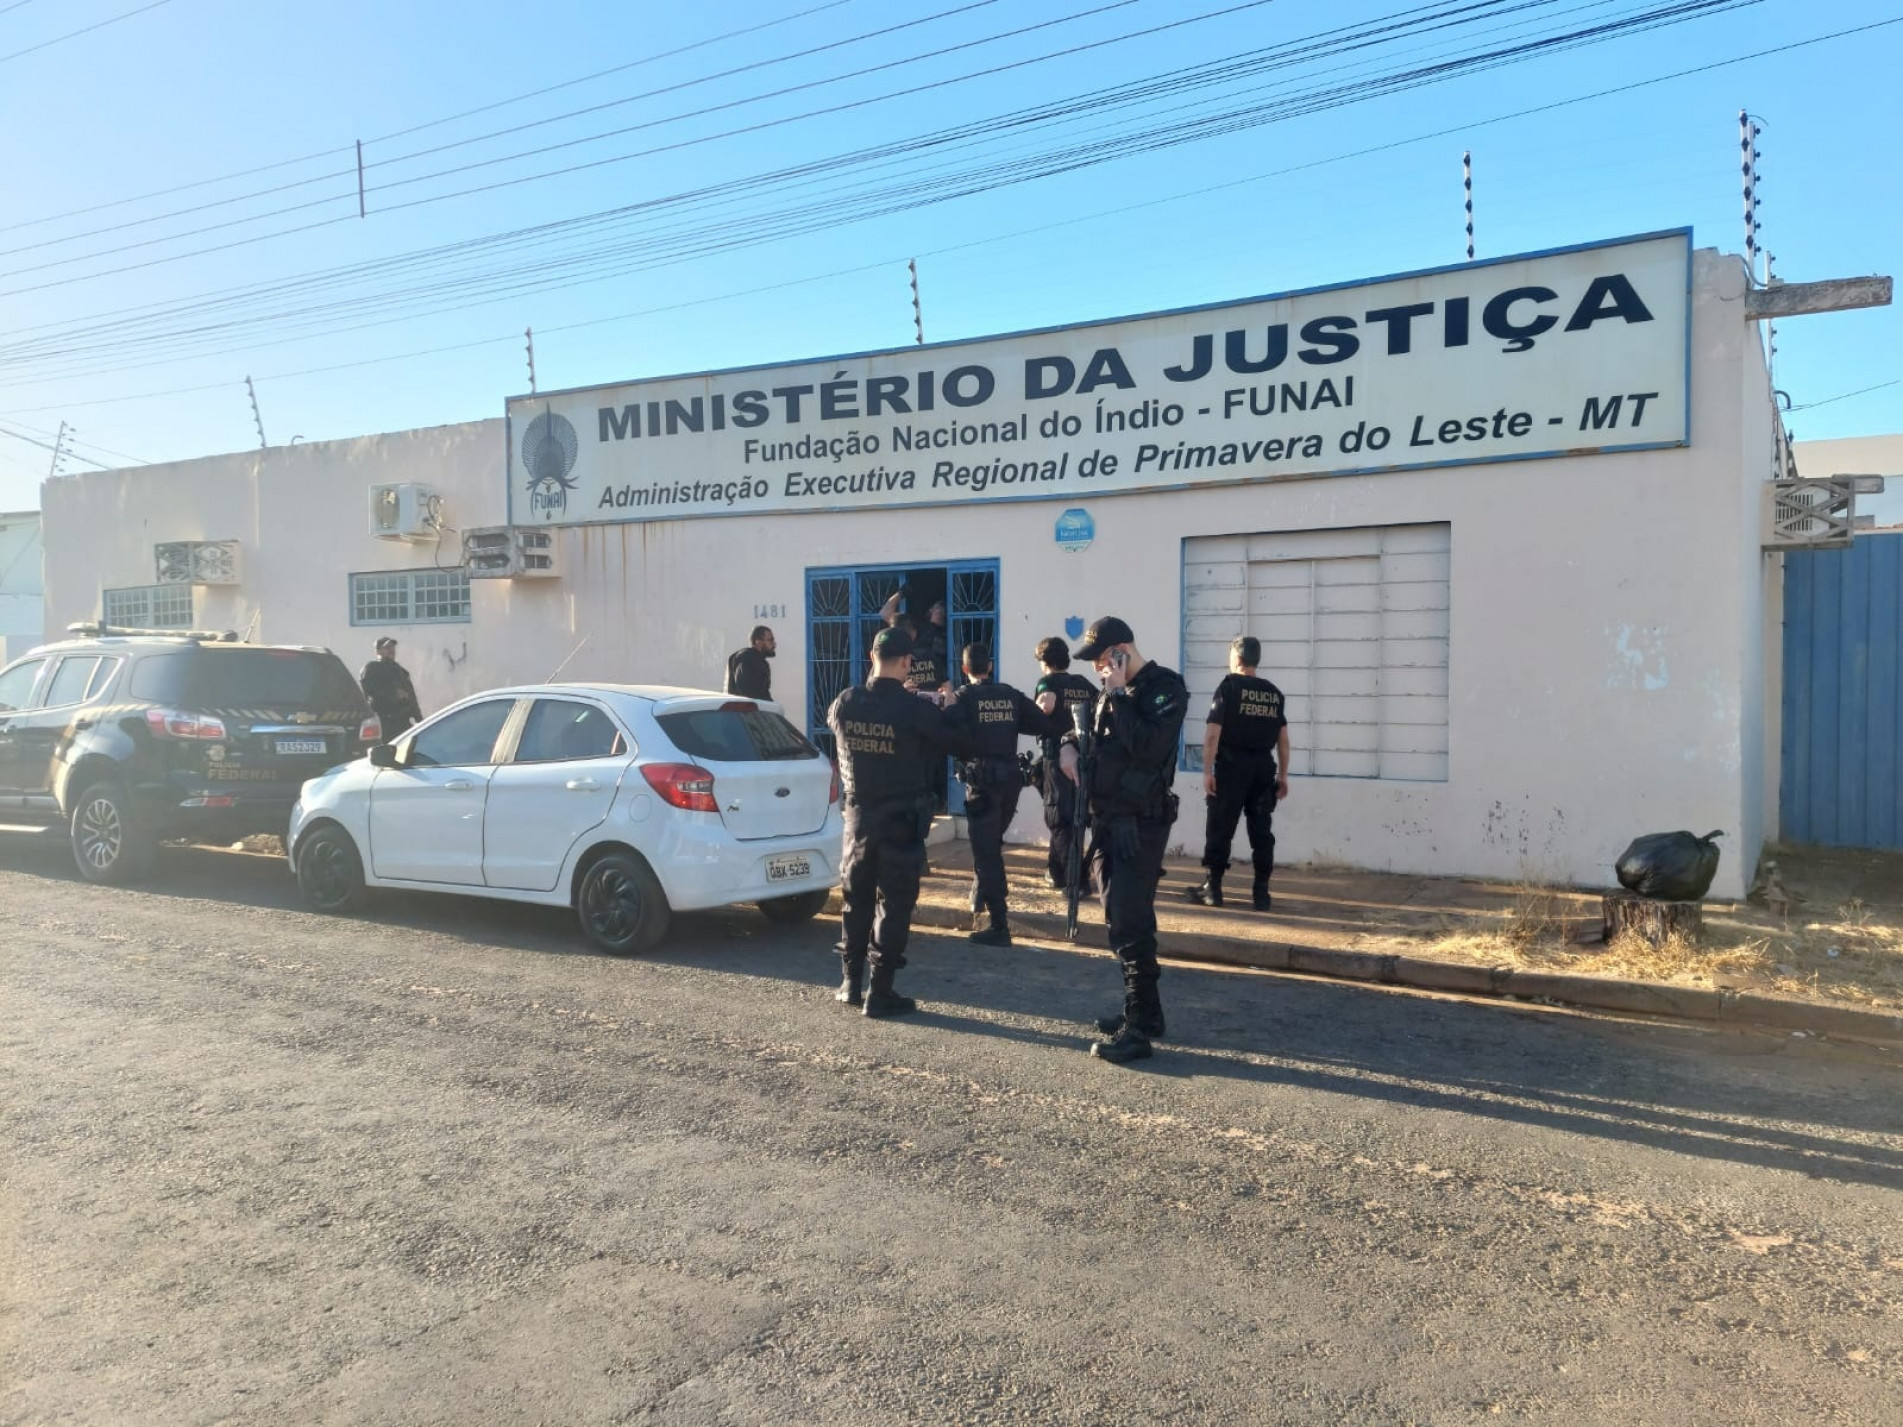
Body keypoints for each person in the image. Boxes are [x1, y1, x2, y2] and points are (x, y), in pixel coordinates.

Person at [1043, 616, 1187, 1065]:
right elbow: (1091, 736)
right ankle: (1146, 1011)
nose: (1099, 666)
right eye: (1098, 661)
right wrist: (1066, 744)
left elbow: (1147, 748)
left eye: (1105, 657)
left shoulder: (1164, 689)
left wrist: (1121, 691)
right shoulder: (1110, 693)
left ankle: (1139, 1026)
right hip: (1108, 819)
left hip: (1139, 822)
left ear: (1123, 649)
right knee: (1120, 914)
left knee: (1129, 920)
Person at [826, 625, 976, 1018]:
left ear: (870, 658)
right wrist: (948, 703)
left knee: (855, 899)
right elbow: (959, 741)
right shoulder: (916, 710)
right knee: (893, 904)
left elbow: (842, 721)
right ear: (909, 662)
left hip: (857, 820)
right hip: (900, 820)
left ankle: (848, 983)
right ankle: (881, 990)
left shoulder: (845, 702)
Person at [943, 642, 1055, 947]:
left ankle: (999, 923)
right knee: (992, 844)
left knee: (987, 852)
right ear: (989, 667)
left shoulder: (963, 698)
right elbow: (1041, 722)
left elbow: (948, 734)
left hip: (981, 784)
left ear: (965, 669)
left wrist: (948, 702)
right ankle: (981, 894)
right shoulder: (1010, 694)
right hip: (1009, 783)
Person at [1190, 635, 1290, 911]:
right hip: (1263, 768)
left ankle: (1214, 888)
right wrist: (1283, 775)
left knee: (1220, 827)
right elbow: (1283, 739)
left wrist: (1207, 770)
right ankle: (1261, 893)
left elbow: (1213, 733)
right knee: (1261, 831)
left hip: (1232, 766)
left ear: (1235, 658)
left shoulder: (1229, 687)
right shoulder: (1274, 693)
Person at [1031, 636, 1098, 891]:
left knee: (1059, 817)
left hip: (1056, 758)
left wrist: (1032, 715)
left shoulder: (1047, 682)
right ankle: (1056, 870)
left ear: (1044, 661)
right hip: (1081, 759)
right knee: (1072, 817)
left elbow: (1045, 706)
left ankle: (1076, 879)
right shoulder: (1082, 684)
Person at [358, 636, 422, 740]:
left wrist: (419, 720)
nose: (391, 650)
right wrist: (393, 693)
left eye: (392, 647)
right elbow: (369, 690)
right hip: (384, 722)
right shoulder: (372, 669)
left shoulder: (401, 671)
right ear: (378, 651)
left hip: (402, 722)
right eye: (386, 647)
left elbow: (411, 697)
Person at [725, 625, 776, 701]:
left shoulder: (759, 661)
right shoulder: (746, 657)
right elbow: (746, 690)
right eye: (770, 640)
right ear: (758, 642)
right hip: (745, 711)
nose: (774, 644)